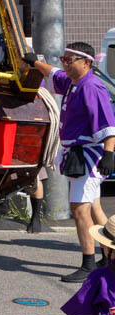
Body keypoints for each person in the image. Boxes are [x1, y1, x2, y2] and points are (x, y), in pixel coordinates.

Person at [23, 43, 115, 282]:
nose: (65, 63)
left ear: (86, 62)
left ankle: (88, 263)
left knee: (79, 209)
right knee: (93, 207)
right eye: (64, 59)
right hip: (79, 153)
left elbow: (107, 123)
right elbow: (53, 73)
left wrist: (109, 153)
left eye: (70, 60)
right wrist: (34, 62)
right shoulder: (73, 82)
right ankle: (109, 256)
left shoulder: (91, 86)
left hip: (88, 155)